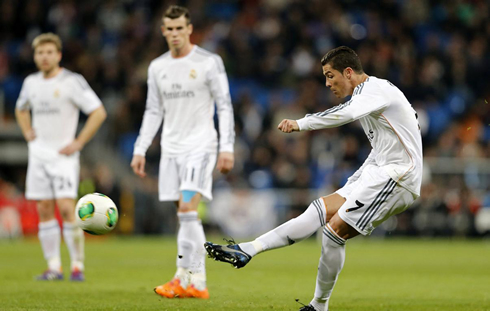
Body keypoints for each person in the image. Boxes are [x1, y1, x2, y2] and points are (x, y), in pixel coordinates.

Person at [205, 46, 423, 310]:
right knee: (318, 210)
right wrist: (360, 176)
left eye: (331, 76)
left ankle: (319, 306)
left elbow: (346, 114)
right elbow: (385, 143)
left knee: (333, 232)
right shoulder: (372, 94)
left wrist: (302, 123)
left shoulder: (373, 91)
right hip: (378, 169)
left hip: (399, 175)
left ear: (349, 72)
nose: (327, 83)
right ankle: (249, 248)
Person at [130, 5, 235, 299]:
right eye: (170, 29)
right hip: (171, 149)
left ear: (189, 29)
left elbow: (224, 105)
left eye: (180, 28)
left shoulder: (209, 62)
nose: (175, 34)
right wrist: (140, 148)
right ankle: (194, 282)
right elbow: (153, 110)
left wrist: (227, 147)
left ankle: (184, 278)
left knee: (188, 209)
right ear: (163, 31)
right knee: (185, 216)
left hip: (200, 146)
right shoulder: (157, 67)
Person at [15, 33, 107, 281]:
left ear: (58, 55)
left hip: (64, 156)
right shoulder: (31, 83)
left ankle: (77, 265)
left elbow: (98, 112)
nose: (44, 57)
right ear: (35, 56)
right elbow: (21, 108)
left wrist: (78, 142)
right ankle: (54, 267)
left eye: (49, 52)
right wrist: (27, 132)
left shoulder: (72, 81)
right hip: (39, 155)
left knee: (67, 208)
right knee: (44, 208)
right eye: (39, 53)